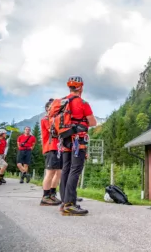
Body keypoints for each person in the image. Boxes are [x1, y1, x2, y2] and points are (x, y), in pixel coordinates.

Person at [60, 76, 96, 216]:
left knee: (65, 170)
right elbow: (92, 123)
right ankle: (70, 204)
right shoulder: (83, 103)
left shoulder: (62, 101)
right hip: (78, 141)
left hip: (64, 139)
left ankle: (64, 202)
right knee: (75, 170)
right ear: (81, 87)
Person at [40, 98, 62, 206]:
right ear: (48, 109)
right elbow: (54, 131)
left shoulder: (55, 118)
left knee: (58, 172)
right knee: (50, 172)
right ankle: (45, 197)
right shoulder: (46, 119)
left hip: (58, 147)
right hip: (51, 147)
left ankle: (52, 194)